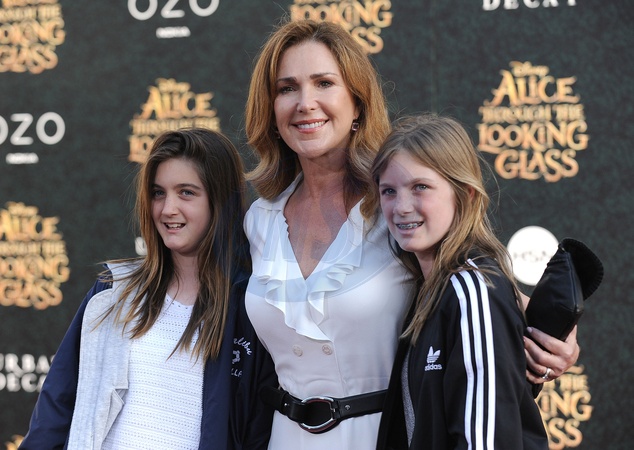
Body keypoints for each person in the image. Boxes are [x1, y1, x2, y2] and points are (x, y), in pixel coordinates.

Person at [243, 19, 577, 450]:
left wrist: (556, 339)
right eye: (287, 88)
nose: (306, 103)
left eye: (324, 83)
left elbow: (481, 292)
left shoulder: (398, 209)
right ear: (270, 109)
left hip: (386, 436)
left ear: (358, 102)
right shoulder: (260, 219)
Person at [19, 128, 276, 450]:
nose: (168, 209)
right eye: (158, 193)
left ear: (221, 200)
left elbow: (260, 433)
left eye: (186, 193)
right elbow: (55, 409)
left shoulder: (252, 307)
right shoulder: (113, 291)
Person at [369, 114, 548, 449]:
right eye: (389, 191)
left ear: (464, 194)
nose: (401, 207)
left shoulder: (472, 288)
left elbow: (486, 441)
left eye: (420, 187)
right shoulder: (427, 289)